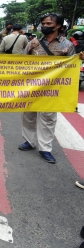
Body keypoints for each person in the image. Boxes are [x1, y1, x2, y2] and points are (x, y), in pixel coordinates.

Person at [18, 13, 75, 164]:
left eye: (49, 24)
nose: (45, 26)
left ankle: (45, 148)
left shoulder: (67, 46)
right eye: (43, 23)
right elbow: (21, 61)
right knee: (28, 115)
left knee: (48, 118)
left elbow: (72, 69)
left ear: (58, 26)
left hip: (52, 89)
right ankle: (29, 142)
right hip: (32, 87)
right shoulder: (33, 43)